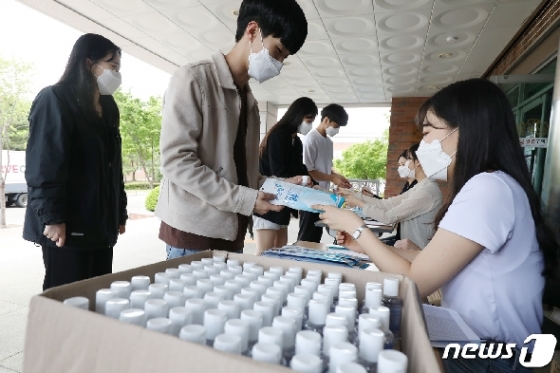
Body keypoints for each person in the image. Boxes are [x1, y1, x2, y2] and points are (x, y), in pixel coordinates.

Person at [316, 78, 559, 373]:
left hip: (489, 358)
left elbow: (416, 281)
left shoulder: (488, 189)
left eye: (429, 131)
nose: (424, 145)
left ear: (465, 130)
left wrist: (357, 228)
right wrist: (364, 244)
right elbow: (442, 263)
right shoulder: (491, 185)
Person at [156, 0, 309, 259]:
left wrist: (282, 185)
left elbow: (241, 175)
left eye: (284, 58)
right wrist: (245, 200)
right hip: (193, 234)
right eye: (278, 51)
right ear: (252, 31)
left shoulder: (249, 103)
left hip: (232, 233)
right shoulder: (194, 79)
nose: (279, 64)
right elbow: (176, 162)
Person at [23, 34, 128, 290]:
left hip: (100, 227)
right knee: (67, 301)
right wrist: (52, 217)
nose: (116, 73)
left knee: (96, 297)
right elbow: (44, 165)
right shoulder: (55, 99)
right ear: (89, 63)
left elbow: (113, 167)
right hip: (67, 227)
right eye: (111, 65)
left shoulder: (108, 107)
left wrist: (119, 212)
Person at [338, 143, 441, 249]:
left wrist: (359, 203)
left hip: (417, 254)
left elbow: (388, 217)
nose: (405, 165)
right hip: (407, 249)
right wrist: (355, 195)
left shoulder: (427, 191)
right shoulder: (421, 187)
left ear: (418, 162)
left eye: (409, 159)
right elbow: (387, 204)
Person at [253, 97, 318, 254]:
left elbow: (300, 168)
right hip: (268, 200)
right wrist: (300, 181)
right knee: (264, 254)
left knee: (280, 252)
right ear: (297, 115)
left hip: (283, 203)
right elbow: (278, 172)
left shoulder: (297, 142)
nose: (309, 125)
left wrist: (313, 184)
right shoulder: (278, 136)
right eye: (308, 120)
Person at [297, 104, 351, 243]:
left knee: (316, 235)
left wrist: (338, 177)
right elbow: (309, 171)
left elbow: (326, 168)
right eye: (336, 125)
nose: (337, 129)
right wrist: (332, 178)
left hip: (323, 195)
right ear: (326, 120)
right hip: (310, 196)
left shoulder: (328, 142)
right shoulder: (311, 139)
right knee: (306, 236)